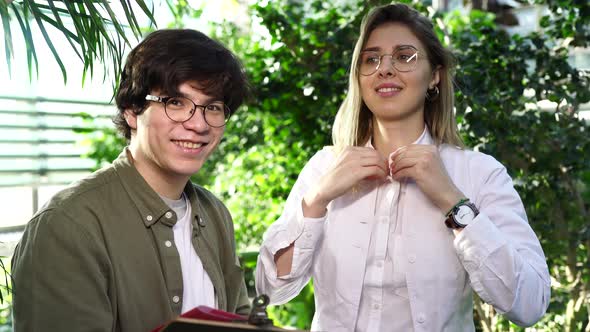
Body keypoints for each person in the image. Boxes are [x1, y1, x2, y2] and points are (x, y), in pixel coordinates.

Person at [255, 3, 550, 331]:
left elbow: (529, 304)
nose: (385, 69)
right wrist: (316, 201)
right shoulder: (324, 167)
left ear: (435, 75)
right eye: (371, 59)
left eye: (404, 56)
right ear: (360, 78)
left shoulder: (479, 174)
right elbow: (271, 289)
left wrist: (454, 203)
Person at [11, 29, 250, 331]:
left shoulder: (215, 214)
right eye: (176, 102)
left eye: (213, 107)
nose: (199, 124)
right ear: (132, 111)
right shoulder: (68, 225)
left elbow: (239, 319)